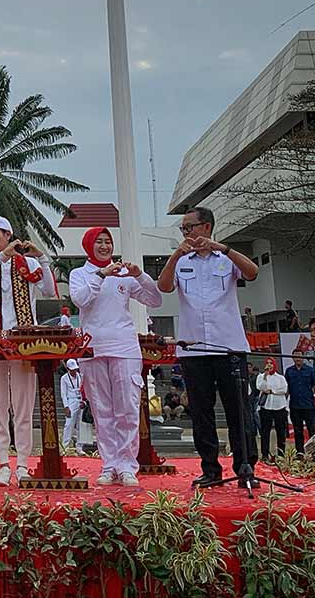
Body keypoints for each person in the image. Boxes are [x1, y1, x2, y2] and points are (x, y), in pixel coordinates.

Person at [158, 206, 259, 488]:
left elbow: (252, 273)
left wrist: (223, 248)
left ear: (206, 227)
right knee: (201, 414)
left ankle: (245, 468)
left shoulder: (225, 259)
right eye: (183, 229)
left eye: (189, 227)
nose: (186, 233)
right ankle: (211, 470)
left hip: (229, 347)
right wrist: (176, 253)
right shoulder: (182, 260)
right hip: (193, 349)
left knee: (238, 411)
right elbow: (164, 287)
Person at [69, 226, 163, 486]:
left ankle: (127, 466)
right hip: (93, 347)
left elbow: (156, 300)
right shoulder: (80, 274)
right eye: (98, 242)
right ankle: (109, 465)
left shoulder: (124, 274)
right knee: (102, 411)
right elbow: (81, 300)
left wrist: (140, 275)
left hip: (124, 347)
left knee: (127, 409)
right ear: (89, 245)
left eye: (107, 242)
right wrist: (101, 274)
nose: (104, 246)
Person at [0, 216, 57, 487]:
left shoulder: (28, 265)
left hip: (23, 341)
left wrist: (41, 258)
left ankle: (22, 463)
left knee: (23, 404)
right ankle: (3, 463)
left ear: (8, 234)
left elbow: (49, 290)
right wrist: (1, 257)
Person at [255, 357, 288, 462]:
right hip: (266, 407)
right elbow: (260, 387)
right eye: (267, 363)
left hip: (280, 407)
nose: (269, 365)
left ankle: (281, 454)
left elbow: (284, 389)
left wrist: (272, 391)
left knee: (280, 431)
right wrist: (265, 376)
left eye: (271, 363)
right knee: (265, 432)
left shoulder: (280, 377)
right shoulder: (261, 376)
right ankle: (265, 454)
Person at [285, 348, 315, 456]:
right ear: (293, 358)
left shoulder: (310, 370)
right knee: (298, 432)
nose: (298, 358)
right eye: (295, 356)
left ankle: (313, 453)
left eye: (300, 356)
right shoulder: (289, 371)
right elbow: (287, 387)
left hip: (308, 405)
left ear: (303, 357)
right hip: (295, 406)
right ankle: (300, 453)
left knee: (312, 430)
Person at [59, 359, 83, 451]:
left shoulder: (80, 376)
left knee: (80, 425)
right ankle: (65, 446)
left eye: (75, 369)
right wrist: (66, 406)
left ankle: (79, 447)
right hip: (71, 401)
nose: (74, 371)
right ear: (68, 369)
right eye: (72, 370)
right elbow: (63, 393)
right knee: (69, 424)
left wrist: (84, 401)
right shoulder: (64, 378)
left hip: (80, 400)